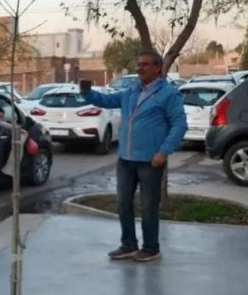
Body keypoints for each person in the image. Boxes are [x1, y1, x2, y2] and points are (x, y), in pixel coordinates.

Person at [80, 51, 187, 262]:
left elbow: (179, 124)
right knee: (123, 204)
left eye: (145, 64)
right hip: (126, 159)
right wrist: (87, 92)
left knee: (148, 206)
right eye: (138, 64)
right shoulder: (131, 92)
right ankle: (128, 244)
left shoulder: (168, 94)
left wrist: (164, 151)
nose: (139, 68)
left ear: (158, 68)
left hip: (150, 160)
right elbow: (107, 100)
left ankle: (151, 248)